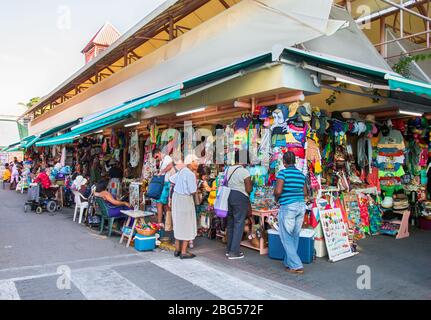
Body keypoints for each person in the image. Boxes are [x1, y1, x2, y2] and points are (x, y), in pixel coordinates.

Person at [274, 151, 307, 275]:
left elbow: (278, 191)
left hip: (288, 207)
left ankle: (296, 265)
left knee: (286, 236)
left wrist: (276, 199)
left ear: (284, 161)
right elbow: (304, 192)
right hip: (301, 206)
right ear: (295, 161)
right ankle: (289, 263)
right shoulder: (300, 174)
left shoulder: (282, 173)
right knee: (294, 236)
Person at [170, 154, 199, 259]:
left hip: (176, 198)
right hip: (185, 200)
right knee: (187, 223)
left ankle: (177, 249)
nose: (198, 163)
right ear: (191, 163)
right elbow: (193, 191)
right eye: (196, 161)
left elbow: (171, 179)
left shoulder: (182, 171)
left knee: (178, 223)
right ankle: (183, 251)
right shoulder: (190, 174)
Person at [225, 155, 253, 260]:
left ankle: (229, 249)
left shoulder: (228, 169)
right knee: (239, 224)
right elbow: (249, 189)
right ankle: (234, 252)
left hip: (229, 196)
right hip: (240, 197)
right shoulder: (244, 171)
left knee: (231, 223)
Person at [153, 148, 174, 226]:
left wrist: (162, 171)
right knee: (165, 204)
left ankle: (159, 223)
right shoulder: (162, 160)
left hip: (166, 183)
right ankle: (168, 222)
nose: (156, 159)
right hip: (164, 183)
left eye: (156, 156)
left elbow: (171, 165)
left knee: (159, 203)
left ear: (159, 152)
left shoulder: (167, 158)